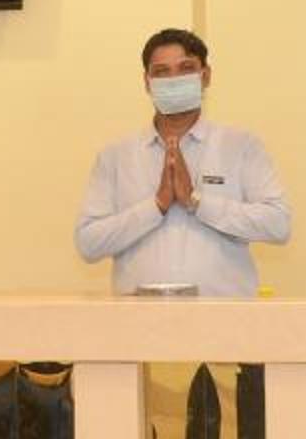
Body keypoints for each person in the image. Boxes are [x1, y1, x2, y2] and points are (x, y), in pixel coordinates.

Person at [75, 26, 291, 296]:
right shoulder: (115, 157)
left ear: (206, 76)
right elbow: (88, 243)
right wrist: (156, 206)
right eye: (162, 72)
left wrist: (196, 201)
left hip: (222, 316)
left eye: (186, 68)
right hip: (139, 317)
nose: (173, 80)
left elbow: (278, 225)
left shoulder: (242, 146)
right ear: (147, 82)